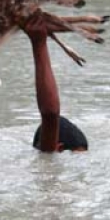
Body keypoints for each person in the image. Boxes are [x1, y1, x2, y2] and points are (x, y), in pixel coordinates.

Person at [24, 12, 88, 152]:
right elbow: (51, 114)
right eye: (77, 156)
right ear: (59, 148)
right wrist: (39, 43)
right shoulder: (49, 155)